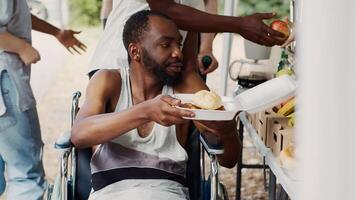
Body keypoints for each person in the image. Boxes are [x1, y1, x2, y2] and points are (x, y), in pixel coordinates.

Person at [71, 10, 240, 200]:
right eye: (166, 45)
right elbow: (79, 134)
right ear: (135, 51)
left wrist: (227, 132)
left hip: (167, 193)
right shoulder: (108, 80)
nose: (178, 53)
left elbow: (228, 160)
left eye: (179, 44)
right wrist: (146, 111)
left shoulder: (187, 85)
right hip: (110, 193)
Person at [0, 0, 86, 199]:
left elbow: (18, 14)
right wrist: (21, 47)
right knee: (26, 178)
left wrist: (57, 32)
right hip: (6, 80)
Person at [88, 0, 285, 78]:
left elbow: (199, 13)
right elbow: (167, 9)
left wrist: (206, 47)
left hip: (164, 67)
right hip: (119, 64)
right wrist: (239, 24)